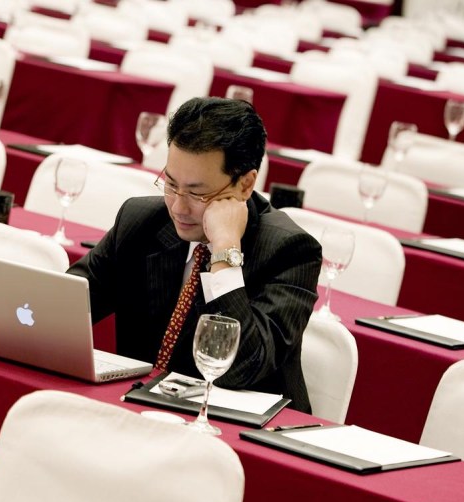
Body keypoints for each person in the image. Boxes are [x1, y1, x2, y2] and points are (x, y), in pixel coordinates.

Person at [68, 97, 321, 412]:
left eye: (198, 193)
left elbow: (240, 367)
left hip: (238, 428)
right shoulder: (141, 220)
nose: (178, 206)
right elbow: (66, 306)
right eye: (171, 184)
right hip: (141, 409)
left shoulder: (291, 250)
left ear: (245, 185)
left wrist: (225, 249)